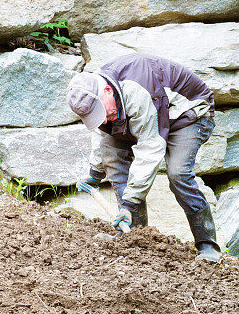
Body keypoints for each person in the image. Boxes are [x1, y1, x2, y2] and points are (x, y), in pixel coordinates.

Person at [66, 53, 222, 262]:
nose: (103, 118)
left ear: (107, 91)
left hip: (187, 115)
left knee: (178, 174)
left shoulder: (136, 91)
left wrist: (129, 203)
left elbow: (150, 149)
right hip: (150, 115)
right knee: (112, 157)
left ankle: (208, 245)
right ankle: (133, 235)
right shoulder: (100, 93)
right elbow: (101, 133)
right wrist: (95, 173)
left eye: (102, 111)